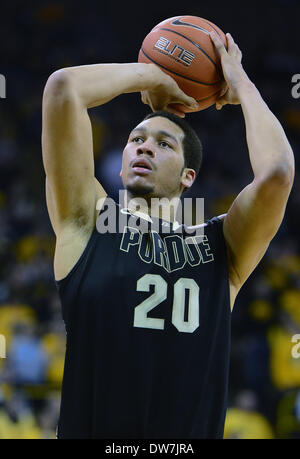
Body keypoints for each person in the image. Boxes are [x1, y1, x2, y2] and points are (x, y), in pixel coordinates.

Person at [41, 31, 294, 439]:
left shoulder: (221, 249)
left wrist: (241, 83)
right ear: (121, 164)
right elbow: (63, 88)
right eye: (135, 140)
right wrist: (151, 76)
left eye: (163, 144)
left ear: (187, 176)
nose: (143, 148)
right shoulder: (86, 222)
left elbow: (278, 173)